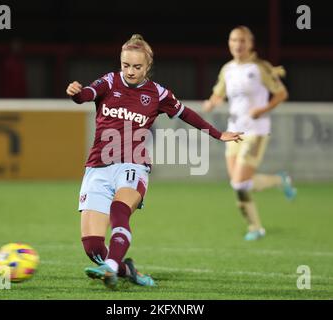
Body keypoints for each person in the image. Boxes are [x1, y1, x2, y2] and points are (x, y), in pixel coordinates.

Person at [66, 34, 243, 289]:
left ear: (147, 66)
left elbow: (187, 114)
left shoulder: (157, 94)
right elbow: (87, 94)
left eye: (137, 67)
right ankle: (126, 268)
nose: (130, 71)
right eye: (126, 65)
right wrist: (76, 94)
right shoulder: (109, 81)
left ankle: (112, 267)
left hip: (133, 165)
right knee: (92, 246)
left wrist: (218, 134)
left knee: (119, 210)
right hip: (98, 166)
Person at [203, 26, 297, 241]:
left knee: (239, 183)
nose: (238, 44)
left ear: (250, 44)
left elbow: (282, 93)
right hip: (233, 132)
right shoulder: (227, 69)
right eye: (234, 40)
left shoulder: (260, 67)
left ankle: (256, 227)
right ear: (229, 43)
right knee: (239, 183)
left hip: (256, 131)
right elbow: (218, 93)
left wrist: (262, 110)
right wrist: (211, 103)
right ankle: (278, 183)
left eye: (242, 40)